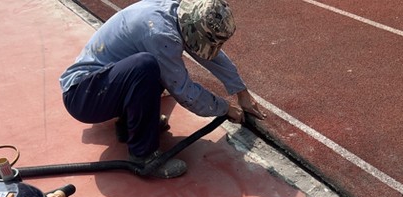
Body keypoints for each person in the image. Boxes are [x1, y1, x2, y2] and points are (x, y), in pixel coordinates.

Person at [59, 0, 266, 178]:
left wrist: (241, 91)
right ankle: (144, 155)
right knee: (148, 67)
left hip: (104, 84)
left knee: (153, 67)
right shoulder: (160, 33)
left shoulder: (178, 11)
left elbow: (212, 55)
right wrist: (225, 108)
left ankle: (129, 127)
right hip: (84, 96)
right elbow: (185, 92)